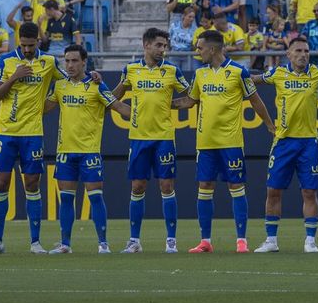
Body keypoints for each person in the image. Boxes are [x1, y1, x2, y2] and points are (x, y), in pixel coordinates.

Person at [172, 28, 271, 253]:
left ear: (213, 48)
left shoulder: (238, 72)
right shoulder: (200, 74)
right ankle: (205, 241)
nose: (197, 52)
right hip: (205, 143)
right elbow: (189, 101)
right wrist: (161, 104)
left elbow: (255, 100)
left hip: (231, 142)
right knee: (204, 186)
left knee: (236, 186)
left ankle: (241, 241)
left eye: (200, 47)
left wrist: (269, 124)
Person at [0, 20, 62, 255]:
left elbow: (68, 82)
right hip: (6, 132)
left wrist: (51, 102)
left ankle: (35, 242)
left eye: (31, 45)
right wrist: (14, 77)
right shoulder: (6, 61)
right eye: (24, 45)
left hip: (33, 133)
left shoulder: (48, 62)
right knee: (1, 182)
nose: (27, 49)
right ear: (19, 41)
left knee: (32, 183)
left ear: (38, 41)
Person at [44, 44, 132, 254]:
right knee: (66, 198)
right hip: (65, 151)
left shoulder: (97, 86)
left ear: (84, 62)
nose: (70, 65)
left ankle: (103, 244)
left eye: (75, 60)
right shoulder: (59, 86)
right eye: (67, 61)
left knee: (95, 197)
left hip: (89, 152)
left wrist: (144, 113)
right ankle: (65, 244)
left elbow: (119, 107)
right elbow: (42, 109)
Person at [109, 27, 189, 253]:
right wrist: (112, 103)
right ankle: (134, 241)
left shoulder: (172, 71)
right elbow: (115, 96)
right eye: (159, 45)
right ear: (146, 45)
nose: (163, 50)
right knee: (137, 186)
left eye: (165, 46)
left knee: (166, 185)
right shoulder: (131, 70)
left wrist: (171, 105)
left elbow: (192, 96)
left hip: (164, 137)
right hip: (138, 138)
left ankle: (171, 240)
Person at [255, 36, 318, 253]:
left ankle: (310, 241)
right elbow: (253, 80)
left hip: (308, 143)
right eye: (298, 51)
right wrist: (235, 76)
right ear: (288, 54)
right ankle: (271, 240)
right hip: (283, 142)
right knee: (273, 191)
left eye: (306, 51)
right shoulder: (277, 73)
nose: (303, 55)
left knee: (309, 192)